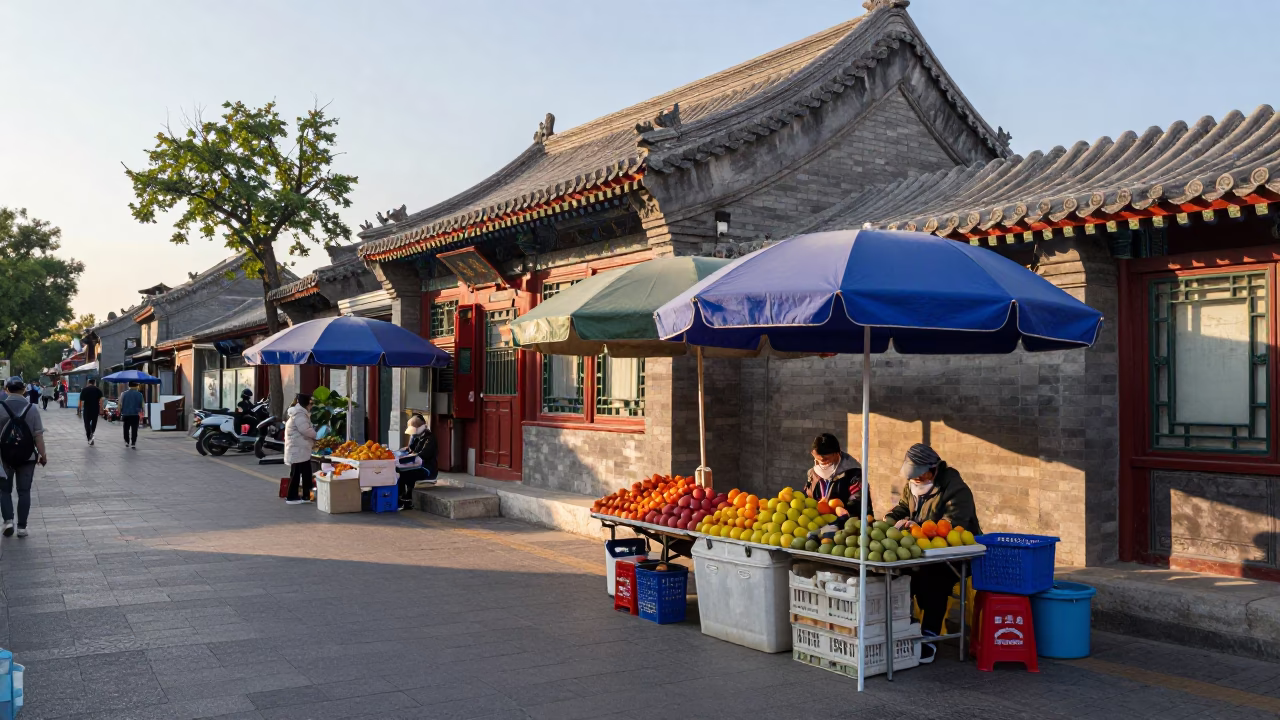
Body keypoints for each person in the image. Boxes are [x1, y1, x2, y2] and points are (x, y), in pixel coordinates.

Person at [884, 443, 983, 664]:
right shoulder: (912, 486)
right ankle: (909, 626)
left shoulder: (956, 489)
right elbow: (902, 507)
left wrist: (916, 525)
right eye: (913, 476)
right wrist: (890, 520)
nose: (916, 479)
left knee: (933, 578)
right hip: (920, 550)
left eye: (920, 475)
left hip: (954, 554)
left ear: (933, 468)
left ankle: (930, 635)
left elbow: (952, 524)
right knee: (901, 573)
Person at [0, 376, 47, 538]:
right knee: (24, 491)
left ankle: (8, 520)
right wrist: (43, 455)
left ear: (6, 390)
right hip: (27, 457)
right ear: (24, 389)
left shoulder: (0, 407)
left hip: (4, 457)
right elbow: (38, 435)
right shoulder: (32, 408)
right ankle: (22, 527)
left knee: (4, 491)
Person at [803, 433, 870, 517]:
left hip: (845, 524)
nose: (821, 463)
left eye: (825, 459)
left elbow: (859, 501)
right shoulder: (813, 473)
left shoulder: (854, 474)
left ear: (837, 454)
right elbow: (807, 494)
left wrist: (844, 511)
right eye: (817, 459)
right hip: (817, 523)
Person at [397, 414, 439, 509]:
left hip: (427, 469)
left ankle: (406, 499)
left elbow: (422, 456)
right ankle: (403, 497)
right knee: (400, 472)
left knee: (405, 475)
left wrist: (407, 461)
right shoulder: (416, 437)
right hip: (416, 466)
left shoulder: (430, 439)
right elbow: (411, 449)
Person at [283, 393, 317, 504]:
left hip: (301, 448)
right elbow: (305, 430)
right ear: (306, 404)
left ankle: (307, 496)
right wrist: (317, 435)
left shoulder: (299, 413)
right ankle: (291, 497)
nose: (311, 406)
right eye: (311, 403)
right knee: (296, 474)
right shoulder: (299, 414)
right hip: (297, 449)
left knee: (306, 473)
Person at [118, 381, 146, 448]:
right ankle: (133, 442)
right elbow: (143, 405)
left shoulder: (123, 394)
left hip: (126, 414)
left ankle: (127, 442)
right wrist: (143, 413)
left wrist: (119, 412)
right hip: (135, 414)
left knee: (126, 428)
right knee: (134, 429)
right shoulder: (140, 394)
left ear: (129, 385)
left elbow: (120, 404)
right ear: (136, 386)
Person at [78, 379, 105, 446]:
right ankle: (92, 433)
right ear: (94, 383)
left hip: (87, 409)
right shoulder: (98, 390)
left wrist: (79, 409)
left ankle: (89, 437)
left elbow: (81, 400)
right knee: (94, 422)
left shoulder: (84, 389)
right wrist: (101, 409)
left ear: (88, 383)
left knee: (86, 423)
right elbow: (101, 400)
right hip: (95, 409)